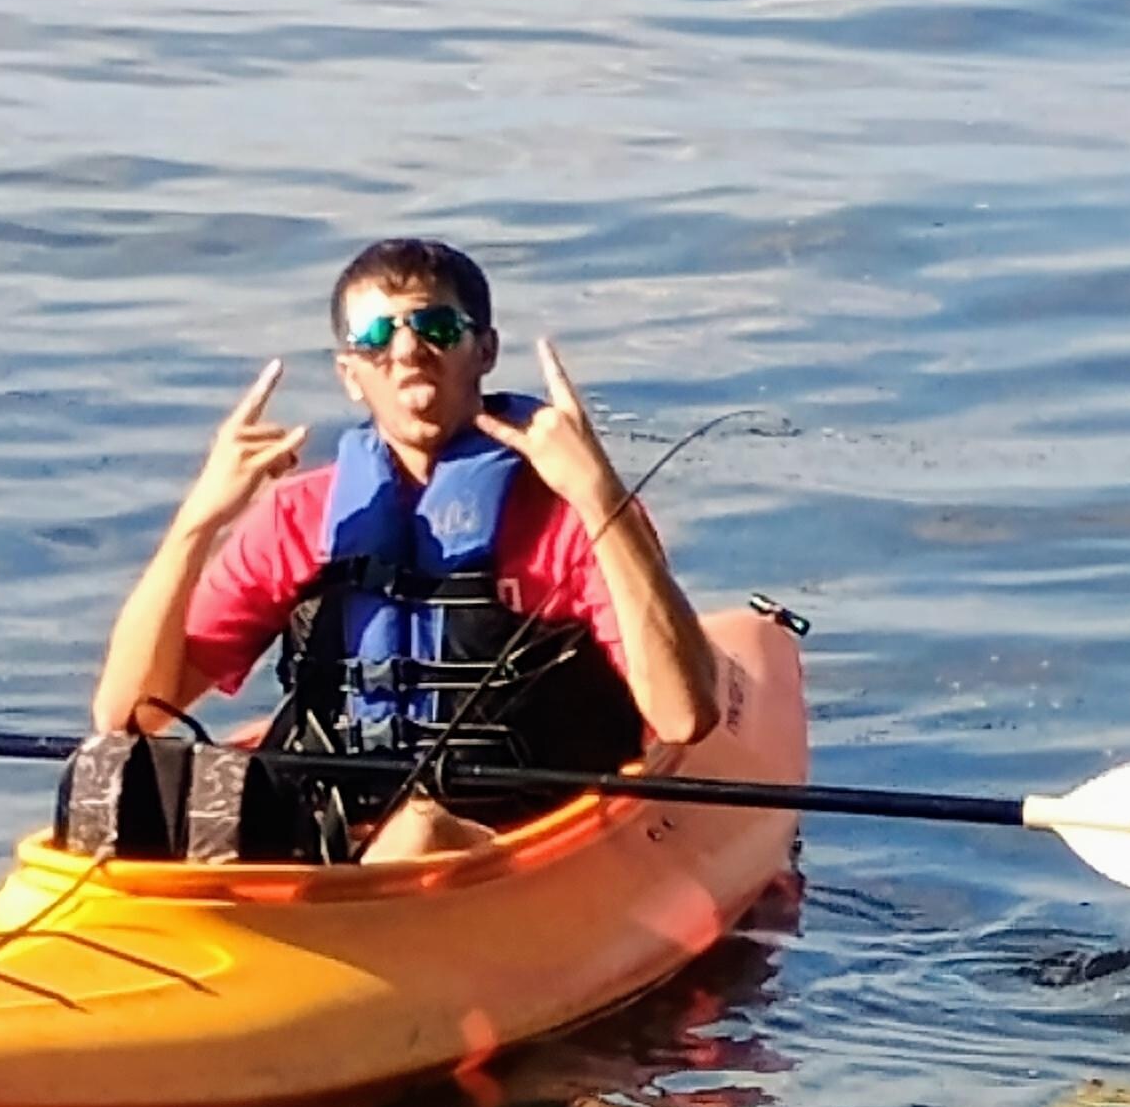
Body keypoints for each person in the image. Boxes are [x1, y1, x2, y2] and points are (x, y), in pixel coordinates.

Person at [84, 238, 723, 862]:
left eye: (437, 326)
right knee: (106, 781)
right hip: (335, 822)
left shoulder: (570, 512)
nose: (408, 350)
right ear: (350, 376)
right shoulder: (300, 516)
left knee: (419, 831)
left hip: (515, 830)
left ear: (485, 350)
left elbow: (681, 717)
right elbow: (130, 713)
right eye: (375, 336)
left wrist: (598, 494)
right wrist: (198, 521)